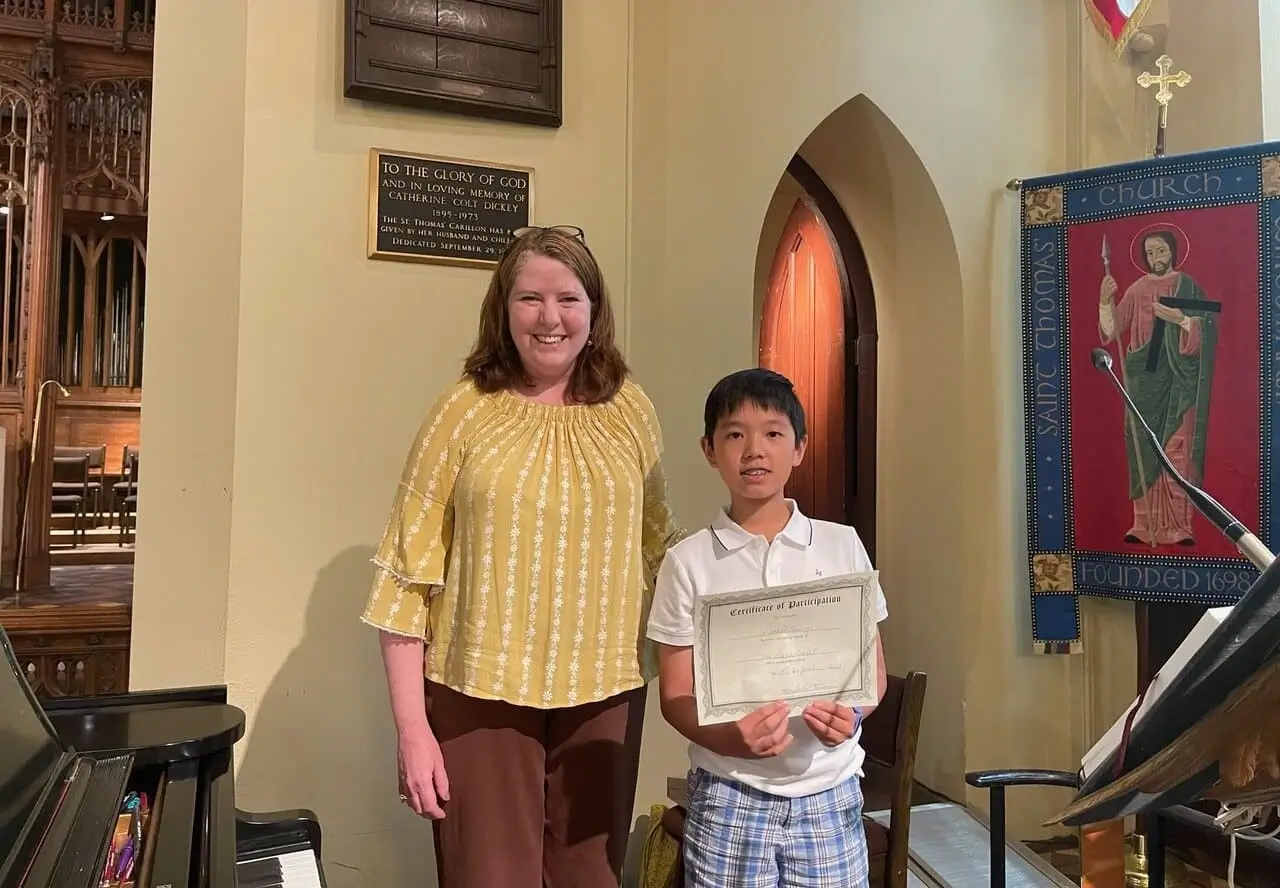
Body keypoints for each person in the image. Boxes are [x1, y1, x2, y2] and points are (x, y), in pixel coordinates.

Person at [361, 225, 682, 888]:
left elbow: (663, 552)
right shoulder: (461, 411)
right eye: (530, 298)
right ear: (502, 311)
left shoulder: (631, 410)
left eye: (568, 299)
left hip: (607, 688)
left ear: (594, 314)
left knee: (591, 879)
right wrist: (413, 732)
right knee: (489, 877)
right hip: (479, 693)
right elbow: (404, 580)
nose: (549, 318)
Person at [646, 367, 888, 888]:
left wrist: (852, 714)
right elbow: (675, 694)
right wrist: (730, 738)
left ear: (799, 447)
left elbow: (872, 672)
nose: (755, 450)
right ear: (710, 449)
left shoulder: (841, 545)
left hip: (829, 790)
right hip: (728, 794)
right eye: (735, 435)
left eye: (774, 434)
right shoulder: (687, 562)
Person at [1098, 228, 1219, 547]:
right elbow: (1112, 331)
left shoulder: (1188, 287)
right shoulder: (1137, 290)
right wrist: (1103, 301)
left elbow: (1207, 327)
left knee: (1176, 451)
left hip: (1179, 384)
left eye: (1161, 251)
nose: (1156, 259)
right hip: (1143, 385)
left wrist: (1181, 321)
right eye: (1150, 253)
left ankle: (1180, 526)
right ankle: (1143, 525)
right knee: (1142, 449)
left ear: (1173, 251)